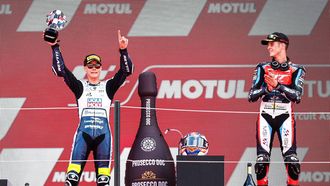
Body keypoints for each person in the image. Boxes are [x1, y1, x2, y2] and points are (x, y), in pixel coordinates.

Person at [46, 30, 134, 186]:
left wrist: (123, 50)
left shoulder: (108, 86)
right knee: (71, 179)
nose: (94, 67)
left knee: (103, 181)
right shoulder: (79, 86)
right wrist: (54, 47)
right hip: (83, 136)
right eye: (90, 65)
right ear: (85, 69)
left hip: (104, 137)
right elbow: (61, 70)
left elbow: (126, 71)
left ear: (101, 68)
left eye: (97, 65)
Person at [248, 32, 306, 186]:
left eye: (271, 44)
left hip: (285, 116)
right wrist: (266, 89)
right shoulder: (262, 67)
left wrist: (278, 86)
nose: (268, 47)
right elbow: (251, 95)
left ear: (282, 45)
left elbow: (297, 96)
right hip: (265, 115)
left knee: (293, 165)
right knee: (261, 164)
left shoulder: (297, 69)